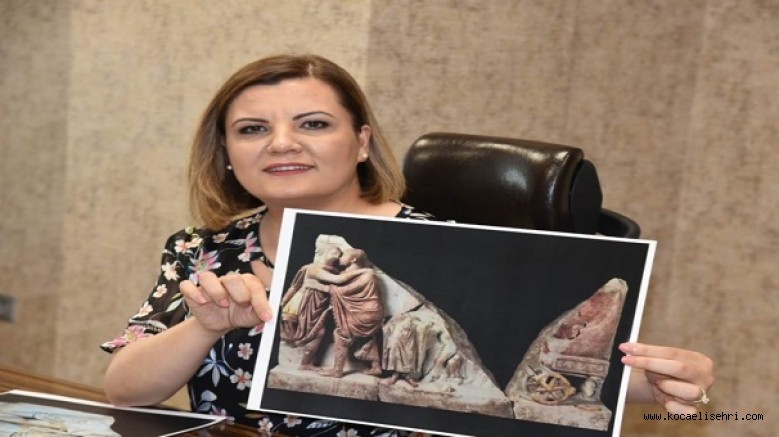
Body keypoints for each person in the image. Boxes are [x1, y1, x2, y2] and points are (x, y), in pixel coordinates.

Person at [101, 54, 714, 435]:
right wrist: (204, 326)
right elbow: (127, 392)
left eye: (313, 124)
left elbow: (503, 372)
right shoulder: (204, 248)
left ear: (361, 142)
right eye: (253, 129)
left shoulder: (440, 247)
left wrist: (657, 384)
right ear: (229, 155)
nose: (282, 143)